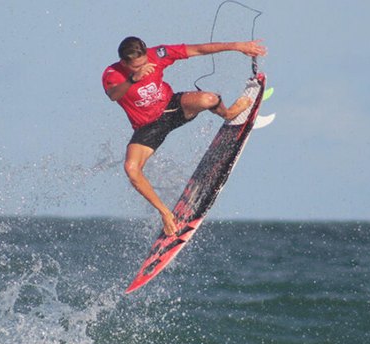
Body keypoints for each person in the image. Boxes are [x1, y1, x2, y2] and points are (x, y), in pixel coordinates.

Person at [103, 36, 267, 235]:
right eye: (136, 66)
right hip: (148, 127)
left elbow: (197, 49)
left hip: (173, 108)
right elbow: (114, 95)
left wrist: (237, 46)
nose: (144, 67)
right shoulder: (113, 74)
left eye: (144, 62)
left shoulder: (158, 54)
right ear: (124, 63)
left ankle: (229, 113)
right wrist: (133, 79)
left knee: (209, 99)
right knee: (131, 169)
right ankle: (165, 214)